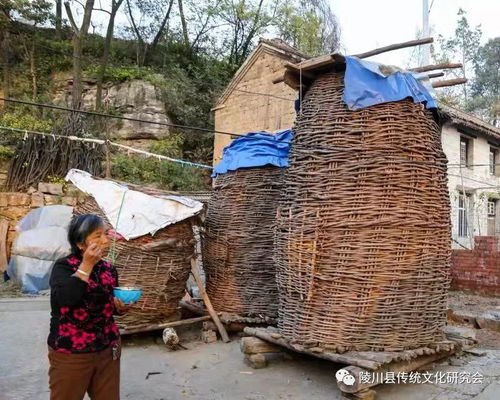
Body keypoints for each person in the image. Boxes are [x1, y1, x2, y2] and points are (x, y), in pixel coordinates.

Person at [47, 214, 128, 400]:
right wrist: (86, 265)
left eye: (106, 234)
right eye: (97, 235)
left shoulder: (108, 269)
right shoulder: (64, 267)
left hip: (107, 349)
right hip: (72, 353)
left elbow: (108, 305)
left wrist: (120, 307)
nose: (105, 240)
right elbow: (66, 299)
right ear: (81, 243)